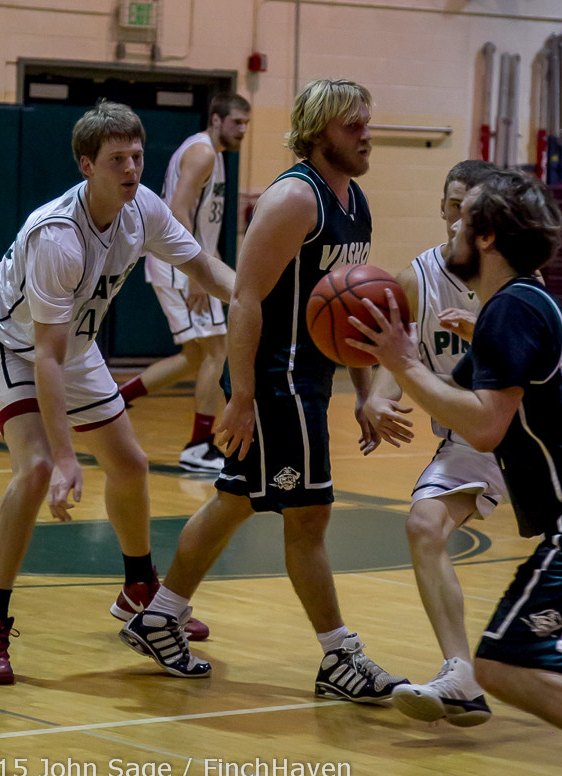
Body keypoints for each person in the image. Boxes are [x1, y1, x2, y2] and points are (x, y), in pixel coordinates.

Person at [118, 78, 409, 701]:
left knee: (233, 499)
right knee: (309, 517)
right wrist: (242, 395)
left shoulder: (355, 201)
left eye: (366, 121)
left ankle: (161, 615)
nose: (366, 134)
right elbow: (246, 299)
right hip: (280, 382)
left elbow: (353, 311)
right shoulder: (294, 200)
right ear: (320, 130)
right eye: (353, 124)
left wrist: (363, 390)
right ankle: (339, 657)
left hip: (311, 378)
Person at [349, 169, 562, 758]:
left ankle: (465, 678)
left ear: (489, 235)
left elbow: (483, 424)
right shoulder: (512, 309)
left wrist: (401, 361)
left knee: (501, 664)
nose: (455, 226)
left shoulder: (514, 307)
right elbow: (464, 397)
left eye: (466, 217)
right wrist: (396, 380)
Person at [0, 100, 236, 684]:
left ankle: (140, 589)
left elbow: (206, 269)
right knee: (36, 470)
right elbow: (47, 357)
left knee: (130, 464)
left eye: (137, 156)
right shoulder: (57, 236)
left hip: (67, 339)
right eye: (117, 159)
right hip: (5, 336)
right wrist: (65, 457)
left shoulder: (144, 209)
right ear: (87, 165)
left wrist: (263, 299)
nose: (131, 168)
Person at [363, 160, 504, 727]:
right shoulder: (416, 278)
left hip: (535, 439)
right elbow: (392, 348)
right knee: (424, 525)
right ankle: (461, 676)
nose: (459, 218)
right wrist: (376, 396)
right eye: (453, 205)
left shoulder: (517, 280)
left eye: (472, 208)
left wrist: (488, 338)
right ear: (444, 211)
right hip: (472, 437)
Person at [119, 93, 251, 473]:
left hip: (182, 261)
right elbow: (178, 209)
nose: (242, 130)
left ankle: (115, 399)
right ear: (215, 119)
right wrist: (197, 272)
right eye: (236, 122)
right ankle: (199, 445)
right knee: (217, 351)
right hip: (180, 263)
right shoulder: (203, 152)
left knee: (196, 356)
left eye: (246, 123)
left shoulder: (212, 153)